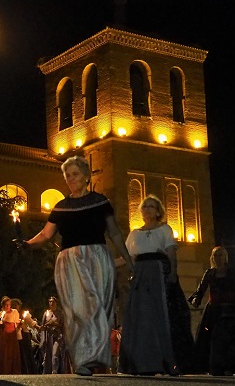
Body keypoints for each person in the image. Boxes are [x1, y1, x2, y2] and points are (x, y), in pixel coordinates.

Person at [22, 156, 133, 376]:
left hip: (98, 258)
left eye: (75, 174)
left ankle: (97, 358)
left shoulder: (101, 202)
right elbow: (45, 234)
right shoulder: (61, 207)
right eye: (67, 175)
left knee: (100, 308)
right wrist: (26, 244)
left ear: (86, 176)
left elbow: (115, 233)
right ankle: (82, 360)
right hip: (70, 261)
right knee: (78, 310)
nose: (71, 179)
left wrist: (128, 259)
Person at [119, 195, 195, 375]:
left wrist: (173, 273)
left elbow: (171, 253)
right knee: (142, 318)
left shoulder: (165, 230)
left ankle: (169, 362)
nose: (148, 210)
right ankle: (143, 364)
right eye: (145, 207)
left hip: (159, 274)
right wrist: (104, 262)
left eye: (152, 207)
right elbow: (128, 257)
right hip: (141, 276)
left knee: (162, 316)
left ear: (158, 211)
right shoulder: (134, 234)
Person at [188, 246, 235, 376]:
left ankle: (229, 367)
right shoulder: (210, 273)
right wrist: (195, 301)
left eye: (220, 255)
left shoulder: (231, 273)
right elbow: (201, 289)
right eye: (215, 255)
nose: (218, 258)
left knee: (230, 340)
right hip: (214, 311)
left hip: (230, 310)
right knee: (213, 338)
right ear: (212, 258)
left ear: (225, 257)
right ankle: (215, 367)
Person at [39, 296, 69, 374]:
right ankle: (47, 371)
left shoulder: (60, 313)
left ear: (56, 303)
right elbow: (42, 326)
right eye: (50, 302)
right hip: (48, 336)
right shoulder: (46, 313)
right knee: (48, 354)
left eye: (53, 302)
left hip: (57, 336)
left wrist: (56, 324)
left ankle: (55, 370)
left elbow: (63, 325)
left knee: (55, 353)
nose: (51, 303)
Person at [11, 298, 38, 374]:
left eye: (16, 305)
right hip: (16, 337)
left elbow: (31, 322)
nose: (15, 307)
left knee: (26, 353)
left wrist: (38, 327)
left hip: (25, 336)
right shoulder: (11, 315)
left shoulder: (22, 315)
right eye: (13, 305)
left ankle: (29, 370)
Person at [0, 296, 21, 374]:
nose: (8, 306)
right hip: (4, 335)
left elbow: (17, 323)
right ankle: (3, 370)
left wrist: (19, 325)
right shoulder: (1, 313)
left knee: (12, 353)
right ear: (3, 305)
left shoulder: (14, 312)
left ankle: (13, 370)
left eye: (9, 304)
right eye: (6, 305)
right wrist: (0, 323)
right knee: (4, 353)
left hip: (12, 335)